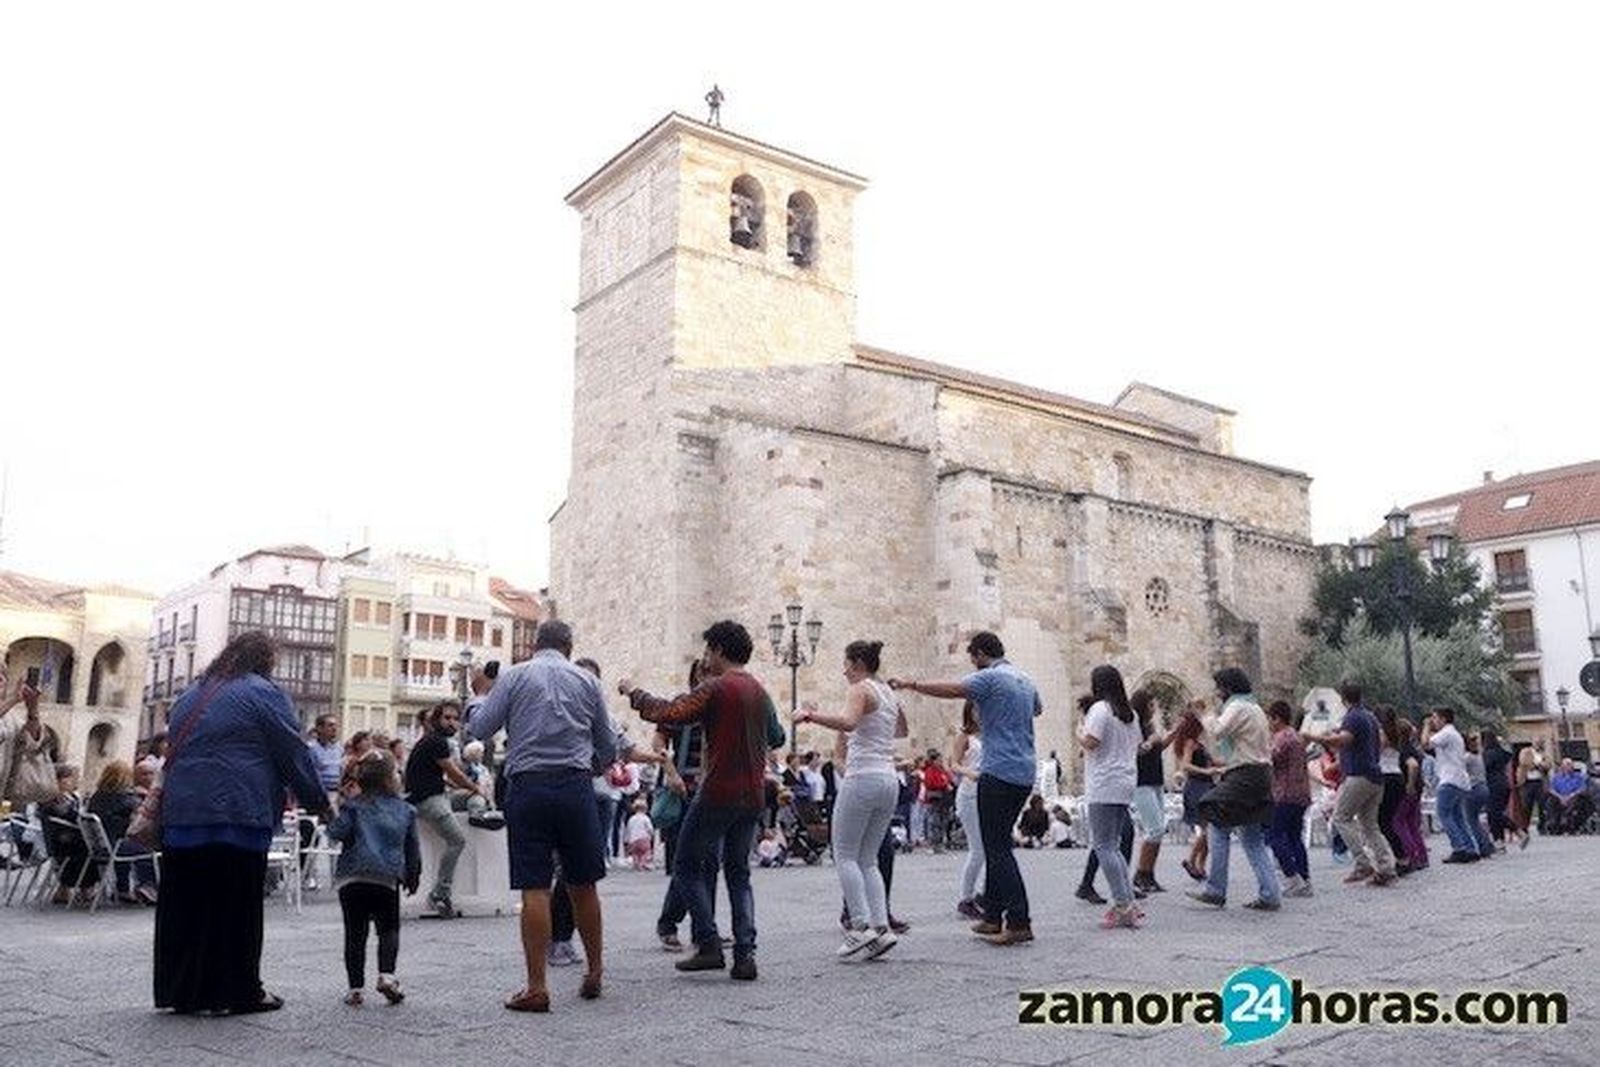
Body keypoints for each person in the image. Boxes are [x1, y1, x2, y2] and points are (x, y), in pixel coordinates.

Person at [153, 630, 330, 1015]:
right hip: (237, 812)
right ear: (264, 660)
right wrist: (318, 802)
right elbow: (292, 751)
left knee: (185, 907)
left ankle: (181, 991)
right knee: (235, 906)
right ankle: (236, 991)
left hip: (183, 814)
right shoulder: (262, 692)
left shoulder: (190, 696)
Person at [621, 620, 786, 981]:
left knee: (685, 864)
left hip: (718, 791)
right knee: (739, 873)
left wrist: (633, 692)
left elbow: (670, 713)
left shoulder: (716, 687)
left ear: (719, 650)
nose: (706, 657)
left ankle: (709, 942)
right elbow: (777, 736)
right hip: (753, 794)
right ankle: (745, 954)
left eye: (708, 650)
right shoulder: (760, 691)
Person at [469, 621, 616, 1012]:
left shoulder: (515, 676)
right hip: (575, 787)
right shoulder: (587, 681)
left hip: (529, 786)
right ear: (569, 646)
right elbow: (608, 745)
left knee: (534, 886)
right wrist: (588, 765)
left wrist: (481, 695)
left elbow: (480, 728)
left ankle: (537, 987)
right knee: (584, 883)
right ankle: (595, 971)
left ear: (536, 644)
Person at [890, 630, 1043, 946]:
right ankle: (992, 916)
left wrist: (911, 684)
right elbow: (1037, 709)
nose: (973, 665)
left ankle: (1018, 920)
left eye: (973, 659)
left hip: (998, 770)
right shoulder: (1025, 679)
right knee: (996, 842)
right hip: (1025, 770)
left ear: (981, 654)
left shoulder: (990, 677)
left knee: (997, 848)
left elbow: (953, 689)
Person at [795, 639, 902, 960]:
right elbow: (902, 730)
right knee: (868, 859)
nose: (844, 671)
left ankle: (859, 926)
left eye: (846, 664)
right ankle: (881, 927)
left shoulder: (860, 688)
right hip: (888, 778)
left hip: (863, 776)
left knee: (844, 854)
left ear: (857, 663)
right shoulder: (887, 692)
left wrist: (810, 716)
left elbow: (849, 722)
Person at [327, 751, 421, 1007]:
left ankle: (355, 989)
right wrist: (413, 875)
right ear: (392, 778)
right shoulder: (406, 810)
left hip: (352, 878)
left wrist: (340, 803)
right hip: (385, 878)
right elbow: (412, 848)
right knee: (388, 929)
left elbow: (336, 833)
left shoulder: (353, 806)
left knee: (355, 934)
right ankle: (387, 976)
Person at [1188, 668, 1280, 911]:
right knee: (1252, 838)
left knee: (1215, 818)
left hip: (1245, 774)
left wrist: (1204, 713)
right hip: (1260, 774)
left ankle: (1216, 889)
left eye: (1219, 688)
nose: (1217, 693)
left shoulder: (1238, 707)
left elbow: (1217, 731)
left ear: (1227, 688)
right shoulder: (1255, 707)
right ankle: (1270, 894)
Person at [404, 701, 486, 916]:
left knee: (474, 798)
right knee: (457, 841)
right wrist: (475, 787)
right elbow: (453, 773)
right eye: (447, 718)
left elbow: (437, 774)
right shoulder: (437, 742)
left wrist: (469, 790)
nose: (452, 723)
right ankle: (440, 893)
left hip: (438, 795)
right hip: (429, 800)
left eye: (455, 719)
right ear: (436, 720)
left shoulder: (432, 741)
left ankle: (477, 814)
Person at [1078, 665, 1143, 929]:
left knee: (1103, 845)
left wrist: (1079, 732)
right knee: (1113, 846)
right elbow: (1137, 745)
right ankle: (1128, 901)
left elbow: (1091, 742)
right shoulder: (1130, 714)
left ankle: (1123, 904)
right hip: (1125, 780)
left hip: (1103, 782)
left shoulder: (1100, 709)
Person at [1313, 682, 1395, 886]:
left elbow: (1344, 740)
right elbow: (1378, 741)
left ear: (1343, 699)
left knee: (1341, 817)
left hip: (1359, 775)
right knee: (1370, 825)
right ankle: (1386, 867)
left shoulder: (1353, 716)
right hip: (1375, 776)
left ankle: (1362, 863)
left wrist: (1316, 737)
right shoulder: (1370, 717)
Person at [87, 760, 158, 904]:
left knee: (127, 848)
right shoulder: (125, 798)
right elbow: (141, 818)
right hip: (114, 845)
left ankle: (122, 889)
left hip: (99, 846)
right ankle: (148, 887)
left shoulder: (96, 796)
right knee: (147, 850)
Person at [1422, 707, 1482, 863]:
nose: (1433, 721)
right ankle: (1471, 848)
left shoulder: (1446, 733)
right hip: (1460, 780)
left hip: (1449, 779)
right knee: (1458, 816)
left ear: (1443, 719)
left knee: (1443, 814)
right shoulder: (1453, 734)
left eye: (1435, 718)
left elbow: (1425, 744)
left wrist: (1426, 726)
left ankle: (1459, 848)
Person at [1264, 701, 1311, 898]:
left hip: (1284, 794)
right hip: (1301, 793)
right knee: (1294, 837)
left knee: (1274, 836)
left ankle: (1292, 878)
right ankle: (1305, 879)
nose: (1268, 723)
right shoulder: (1297, 737)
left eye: (1270, 719)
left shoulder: (1281, 738)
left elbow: (1269, 760)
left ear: (1277, 718)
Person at [1129, 689, 1169, 895]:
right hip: (1141, 782)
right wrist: (1151, 741)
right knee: (1154, 829)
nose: (1154, 709)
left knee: (1159, 829)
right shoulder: (1133, 726)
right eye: (1151, 705)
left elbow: (1159, 748)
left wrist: (1173, 733)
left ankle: (1149, 874)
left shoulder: (1150, 726)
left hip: (1155, 779)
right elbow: (1136, 751)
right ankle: (1140, 874)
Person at [1171, 704, 1215, 882]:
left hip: (1205, 785)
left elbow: (1212, 761)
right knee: (1207, 828)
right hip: (1198, 786)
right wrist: (1207, 771)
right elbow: (1186, 765)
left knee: (1208, 829)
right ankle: (1191, 861)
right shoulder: (1190, 743)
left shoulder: (1199, 743)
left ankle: (1200, 866)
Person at [42, 764, 96, 904]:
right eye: (72, 778)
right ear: (59, 780)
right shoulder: (53, 799)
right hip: (60, 840)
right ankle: (85, 889)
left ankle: (64, 889)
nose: (76, 781)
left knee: (88, 846)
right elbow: (71, 816)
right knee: (90, 849)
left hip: (66, 838)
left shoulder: (70, 796)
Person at [951, 701, 986, 919]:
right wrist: (969, 772)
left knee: (991, 848)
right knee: (978, 849)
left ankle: (983, 893)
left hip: (987, 794)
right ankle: (966, 898)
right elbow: (953, 764)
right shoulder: (964, 736)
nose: (980, 713)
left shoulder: (991, 734)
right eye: (976, 709)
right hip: (969, 793)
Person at [1392, 720, 1430, 872]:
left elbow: (1413, 765)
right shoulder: (1413, 748)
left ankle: (1412, 855)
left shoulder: (1403, 749)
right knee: (1412, 823)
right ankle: (1422, 856)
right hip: (1418, 788)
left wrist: (1409, 784)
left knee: (1399, 821)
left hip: (1408, 789)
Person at [1480, 730, 1515, 848]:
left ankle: (1515, 829)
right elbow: (1509, 754)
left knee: (1493, 813)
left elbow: (1484, 769)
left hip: (1493, 785)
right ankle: (1500, 842)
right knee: (1497, 813)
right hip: (1504, 784)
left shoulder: (1488, 754)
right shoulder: (1501, 752)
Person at [1547, 758, 1594, 835]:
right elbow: (1551, 789)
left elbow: (1582, 788)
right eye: (1566, 765)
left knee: (1578, 800)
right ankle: (1554, 823)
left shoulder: (1578, 777)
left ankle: (1566, 820)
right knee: (1551, 801)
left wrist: (1571, 796)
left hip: (1573, 797)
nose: (1568, 766)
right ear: (1562, 767)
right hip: (1559, 798)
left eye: (1570, 764)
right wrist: (1560, 797)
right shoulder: (1556, 777)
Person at [624, 799, 655, 870]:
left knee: (635, 853)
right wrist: (652, 834)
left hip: (633, 840)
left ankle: (636, 863)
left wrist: (627, 840)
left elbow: (628, 830)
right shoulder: (646, 818)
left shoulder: (631, 819)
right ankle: (642, 863)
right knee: (646, 852)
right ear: (645, 809)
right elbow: (650, 828)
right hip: (644, 839)